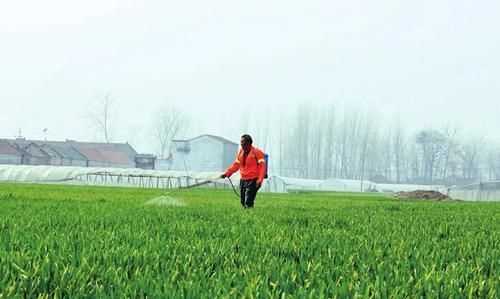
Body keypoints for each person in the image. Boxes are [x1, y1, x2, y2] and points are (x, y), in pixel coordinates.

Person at [220, 134, 266, 208]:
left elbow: (262, 167)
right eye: (241, 143)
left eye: (243, 143)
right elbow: (236, 165)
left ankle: (250, 215)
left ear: (249, 143)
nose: (241, 144)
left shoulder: (257, 152)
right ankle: (246, 214)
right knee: (242, 202)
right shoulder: (241, 152)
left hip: (253, 180)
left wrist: (260, 180)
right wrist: (227, 173)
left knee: (248, 201)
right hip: (243, 180)